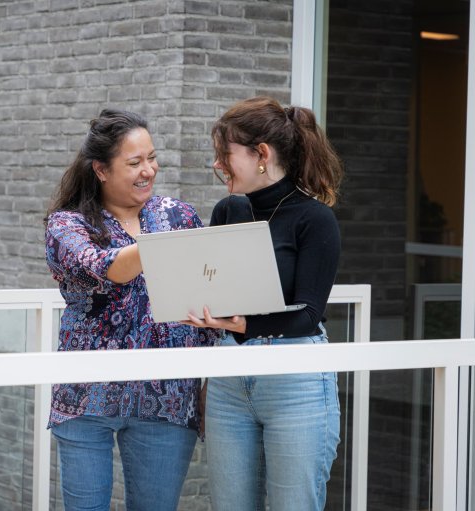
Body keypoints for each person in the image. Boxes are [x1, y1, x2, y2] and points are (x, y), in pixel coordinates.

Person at [44, 108, 214, 511]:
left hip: (168, 397)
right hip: (87, 396)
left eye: (152, 158)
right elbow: (108, 268)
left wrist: (208, 381)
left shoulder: (179, 215)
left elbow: (205, 295)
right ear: (101, 170)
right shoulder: (67, 225)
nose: (148, 171)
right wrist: (168, 243)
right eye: (135, 162)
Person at [184, 96, 344, 511]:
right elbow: (218, 289)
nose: (218, 165)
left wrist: (242, 325)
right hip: (230, 382)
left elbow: (308, 315)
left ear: (262, 155)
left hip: (296, 381)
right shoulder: (228, 211)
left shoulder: (314, 218)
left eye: (225, 154)